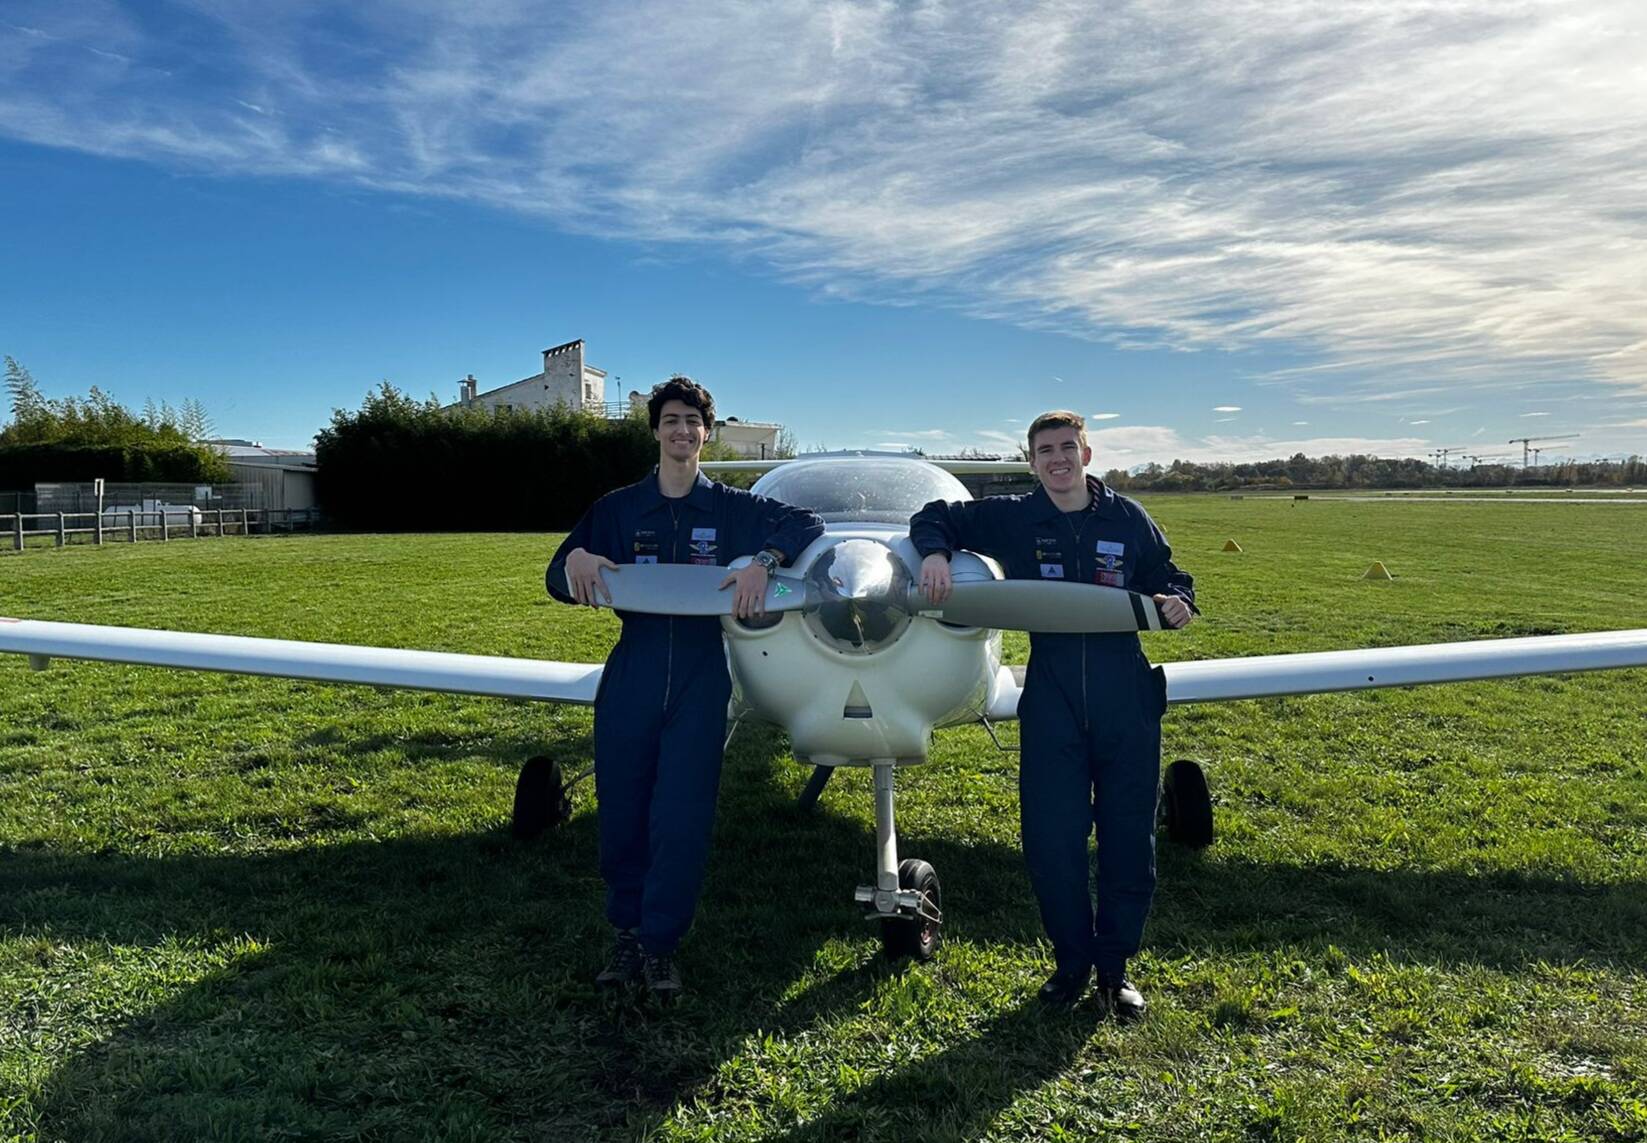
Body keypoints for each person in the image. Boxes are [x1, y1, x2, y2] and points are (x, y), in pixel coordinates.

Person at [909, 410, 1195, 1019]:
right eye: (1045, 451)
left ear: (1087, 455)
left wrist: (1178, 601)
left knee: (1128, 841)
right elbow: (932, 515)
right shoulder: (1015, 516)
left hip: (1125, 694)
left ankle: (1114, 973)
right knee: (1052, 841)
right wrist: (934, 554)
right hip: (1053, 697)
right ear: (1031, 462)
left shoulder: (1128, 517)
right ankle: (1070, 968)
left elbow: (1168, 575)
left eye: (1069, 447)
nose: (1058, 459)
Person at [546, 376, 824, 1002]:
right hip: (633, 670)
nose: (681, 431)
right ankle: (625, 933)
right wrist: (576, 563)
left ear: (706, 433)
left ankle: (662, 945)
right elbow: (557, 574)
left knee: (682, 814)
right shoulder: (617, 509)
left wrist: (765, 561)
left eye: (692, 423)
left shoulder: (730, 508)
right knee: (622, 809)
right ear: (656, 430)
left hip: (702, 675)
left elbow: (805, 522)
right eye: (671, 420)